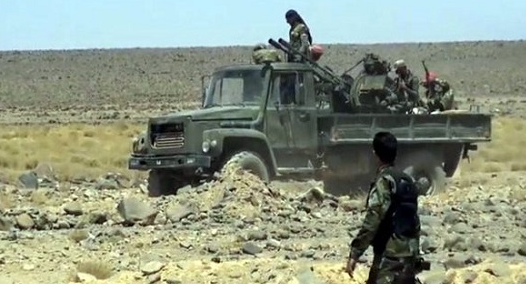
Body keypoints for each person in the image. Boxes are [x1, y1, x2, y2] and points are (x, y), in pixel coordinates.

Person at [345, 131, 422, 284]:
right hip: (410, 253)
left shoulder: (384, 181)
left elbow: (374, 218)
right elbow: (414, 219)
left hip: (390, 256)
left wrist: (355, 253)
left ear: (375, 154)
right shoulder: (406, 179)